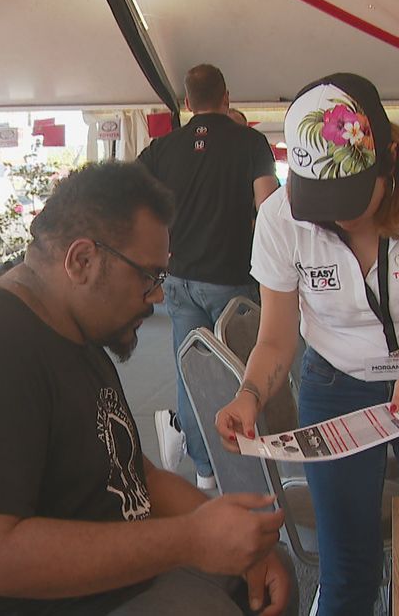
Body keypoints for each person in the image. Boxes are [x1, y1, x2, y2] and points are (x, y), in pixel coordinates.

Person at [0, 162, 292, 616]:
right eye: (148, 276)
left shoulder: (72, 331)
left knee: (271, 565)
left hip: (101, 582)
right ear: (81, 261)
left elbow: (134, 474)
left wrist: (233, 533)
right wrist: (191, 540)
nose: (157, 296)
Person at [215, 73, 399, 615]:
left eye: (353, 198)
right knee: (346, 570)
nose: (340, 216)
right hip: (336, 383)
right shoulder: (281, 217)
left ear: (387, 162)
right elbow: (276, 337)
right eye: (323, 204)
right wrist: (249, 396)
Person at [138, 64, 279, 489]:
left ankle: (203, 472)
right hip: (234, 277)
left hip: (179, 278)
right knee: (248, 371)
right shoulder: (250, 142)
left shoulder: (162, 148)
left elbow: (132, 203)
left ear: (186, 103)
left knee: (190, 371)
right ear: (227, 96)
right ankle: (255, 469)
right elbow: (268, 207)